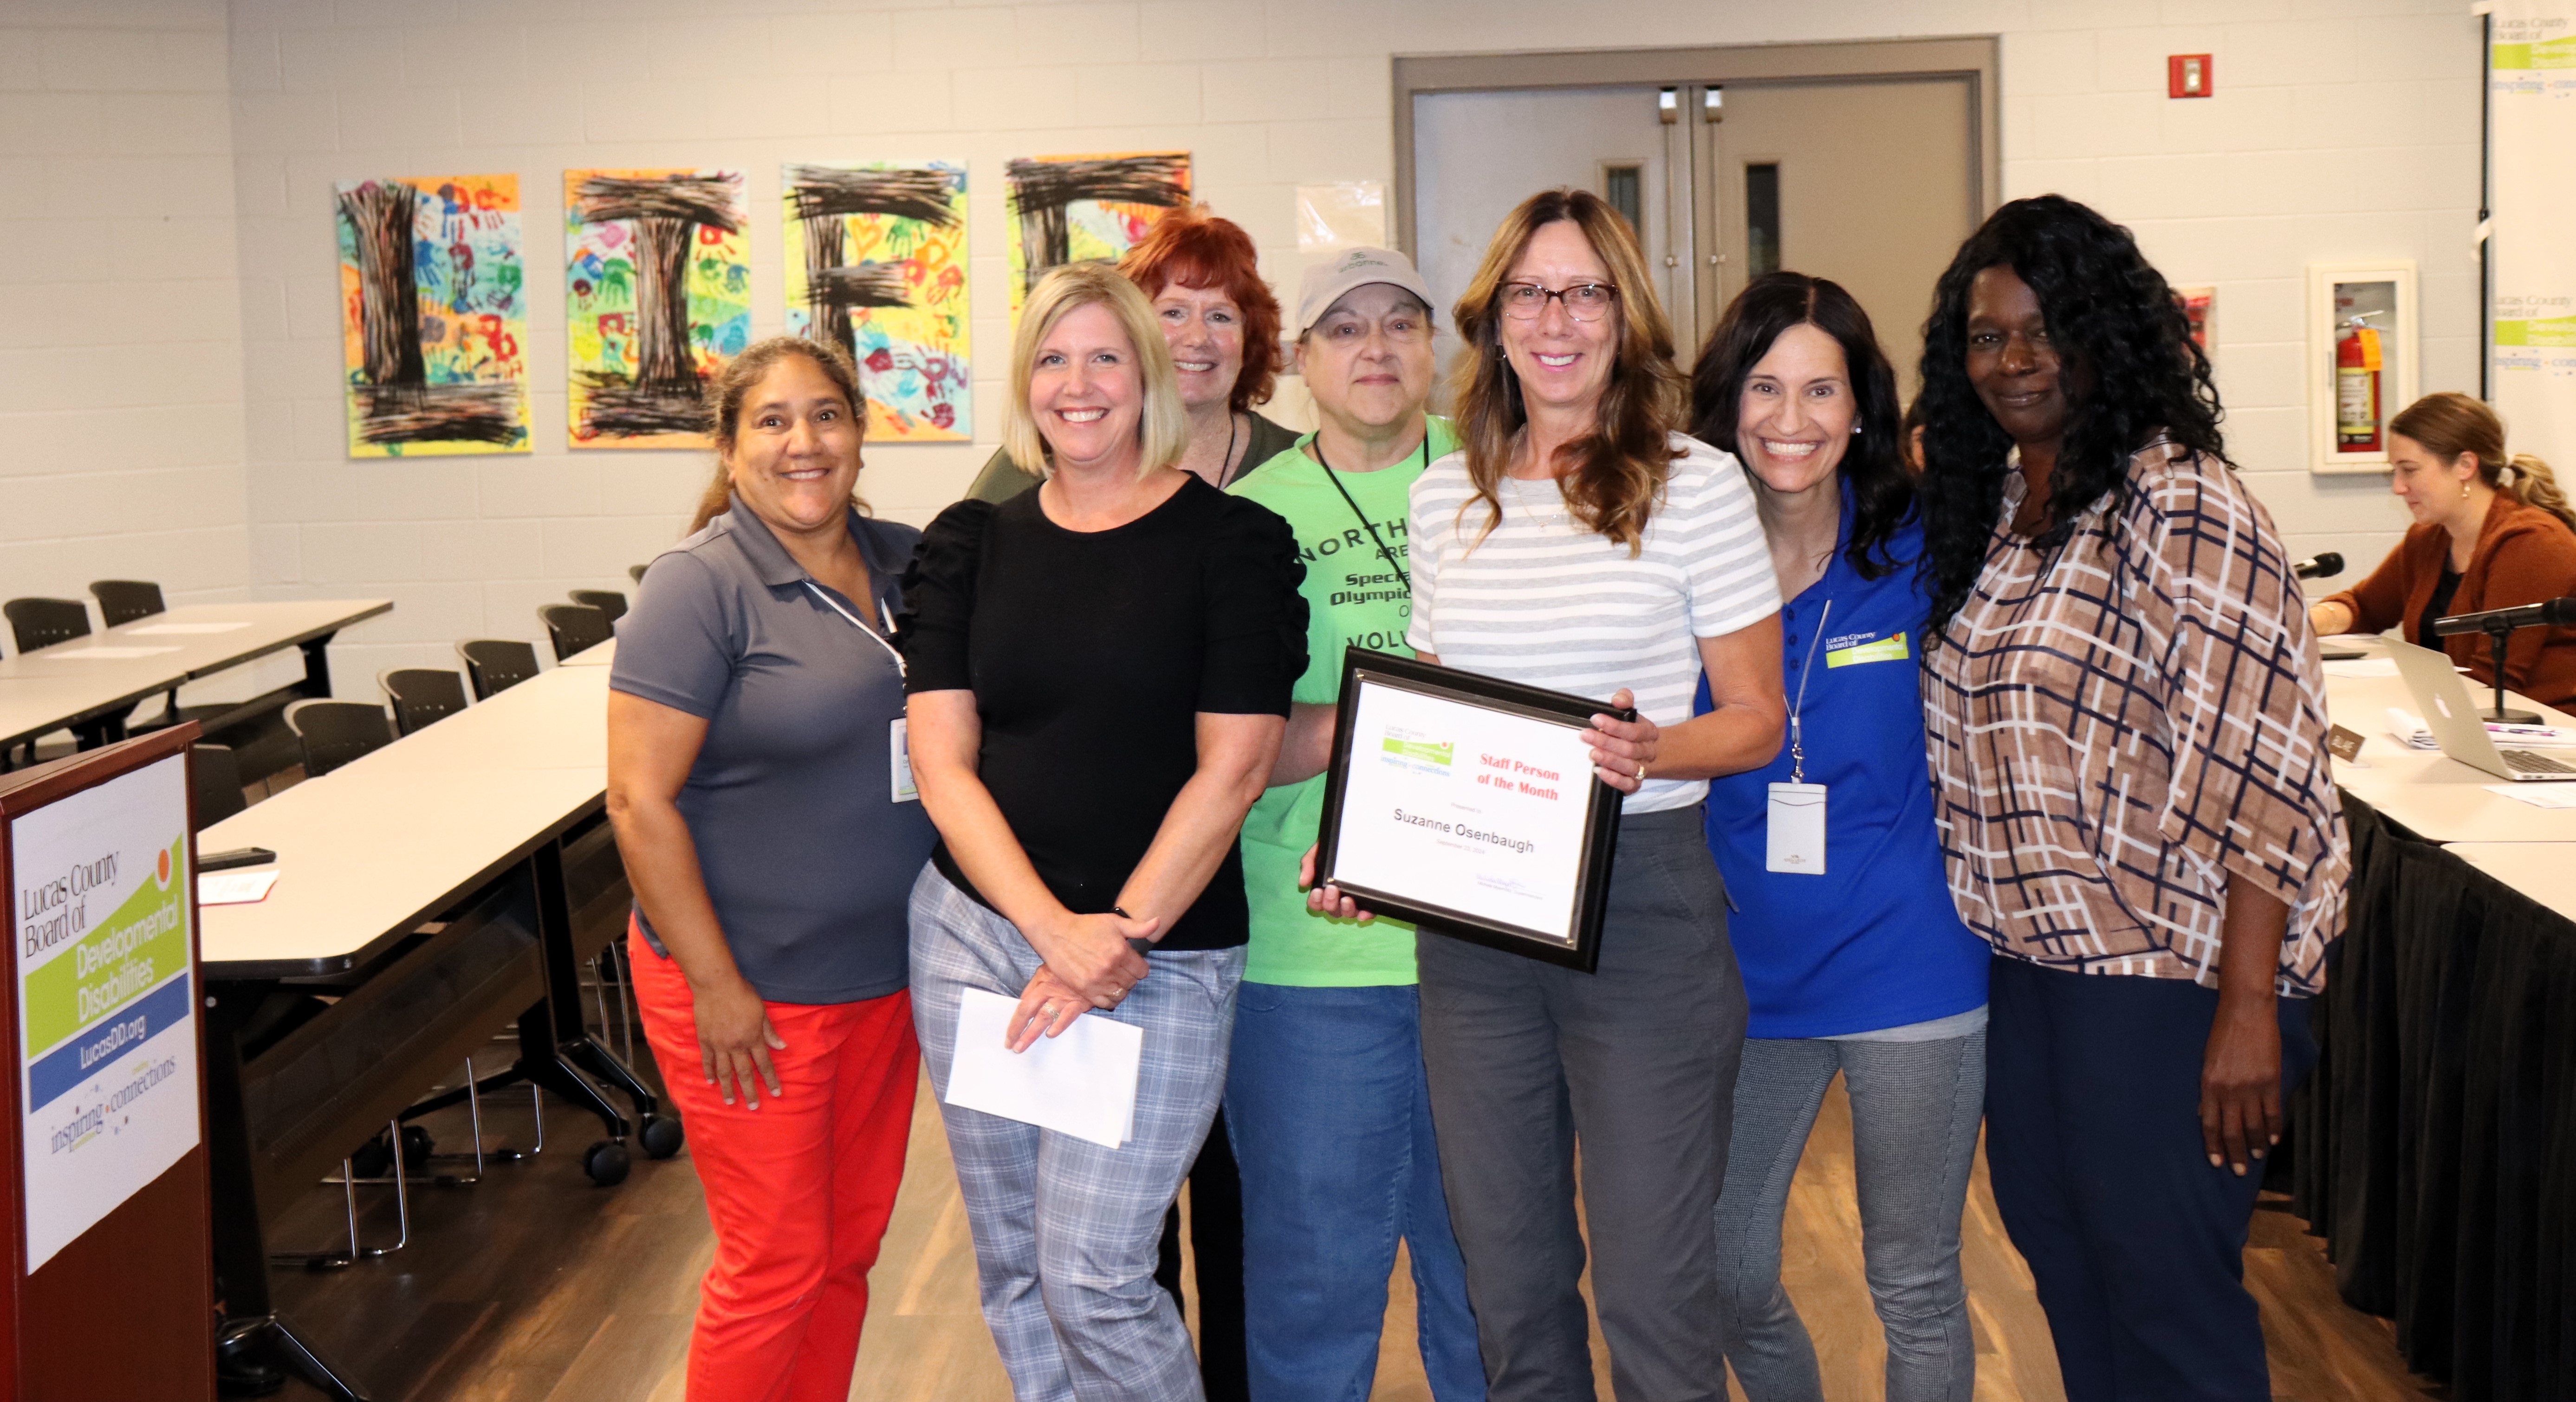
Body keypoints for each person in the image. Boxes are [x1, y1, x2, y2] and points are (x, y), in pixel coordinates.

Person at [1312, 188, 1787, 1402]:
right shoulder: (1442, 497)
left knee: (1651, 1294)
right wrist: (1371, 847)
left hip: (1644, 915)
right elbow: (1427, 717)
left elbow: (1752, 719)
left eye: (1583, 290)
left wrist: (1650, 750)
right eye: (1530, 291)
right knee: (1510, 1289)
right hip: (1474, 931)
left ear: (1623, 315)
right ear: (1494, 319)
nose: (1557, 318)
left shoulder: (1698, 483)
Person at [1914, 194, 2349, 1402]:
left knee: (2164, 1298)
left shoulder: (2179, 502)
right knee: (2065, 1265)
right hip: (2035, 968)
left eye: (2046, 329)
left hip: (2172, 975)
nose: (2016, 359)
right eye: (1988, 335)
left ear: (2109, 333)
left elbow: (2270, 765)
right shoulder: (1998, 518)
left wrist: (2248, 1005)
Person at [899, 260, 1306, 1402]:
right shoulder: (970, 541)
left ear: (1148, 375)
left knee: (1095, 1275)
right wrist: (1048, 932)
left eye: (1103, 357)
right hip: (977, 942)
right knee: (1018, 1267)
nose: (1076, 384)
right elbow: (941, 760)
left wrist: (1110, 938)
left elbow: (1232, 771)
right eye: (1050, 358)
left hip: (1161, 956)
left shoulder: (1231, 544)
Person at [605, 335, 934, 1402]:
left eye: (827, 415)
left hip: (880, 980)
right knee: (776, 1263)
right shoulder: (700, 585)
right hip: (747, 989)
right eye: (774, 420)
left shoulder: (908, 562)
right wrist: (716, 987)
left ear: (859, 431)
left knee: (842, 1253)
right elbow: (636, 800)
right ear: (730, 443)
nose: (805, 441)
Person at [1688, 272, 1991, 1402]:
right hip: (1739, 971)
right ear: (1726, 403)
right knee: (1722, 1273)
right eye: (1763, 387)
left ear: (1861, 407)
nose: (1789, 419)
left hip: (1907, 958)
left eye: (1820, 389)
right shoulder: (1679, 561)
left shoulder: (1928, 548)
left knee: (1911, 1276)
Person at [1221, 246, 1484, 1402]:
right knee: (1311, 1290)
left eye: (1399, 323)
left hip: (1489, 953)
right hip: (1307, 959)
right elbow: (1220, 750)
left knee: (1493, 1285)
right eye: (1342, 328)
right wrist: (1386, 710)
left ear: (1437, 347)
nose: (1374, 349)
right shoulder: (1239, 523)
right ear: (1294, 362)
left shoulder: (1502, 488)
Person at [966, 207, 1299, 501]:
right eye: (1173, 313)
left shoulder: (1302, 465)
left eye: (1220, 316)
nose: (1198, 337)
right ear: (1128, 332)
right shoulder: (1033, 466)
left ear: (1248, 340)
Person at [2308, 390, 2576, 705]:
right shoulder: (2429, 538)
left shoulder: (2532, 542)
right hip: (2463, 723)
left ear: (2464, 465)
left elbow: (2494, 682)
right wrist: (2304, 622)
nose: (2397, 487)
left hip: (2541, 737)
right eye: (2393, 471)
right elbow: (2364, 608)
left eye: (2409, 470)